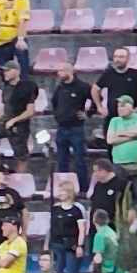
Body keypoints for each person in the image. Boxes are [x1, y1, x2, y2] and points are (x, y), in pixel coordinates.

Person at [0, 58, 41, 168]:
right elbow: (3, 108)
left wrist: (14, 120)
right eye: (4, 71)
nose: (5, 73)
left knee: (21, 157)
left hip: (19, 126)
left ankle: (20, 176)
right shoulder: (6, 88)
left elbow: (30, 111)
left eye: (8, 70)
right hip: (4, 122)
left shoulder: (28, 86)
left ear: (17, 71)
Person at [49, 60, 90, 190]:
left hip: (76, 128)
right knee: (62, 161)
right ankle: (63, 189)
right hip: (62, 128)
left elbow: (96, 98)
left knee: (79, 160)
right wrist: (57, 115)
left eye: (61, 70)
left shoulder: (82, 86)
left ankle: (83, 189)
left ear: (70, 71)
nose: (59, 73)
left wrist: (89, 113)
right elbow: (54, 102)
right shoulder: (59, 88)